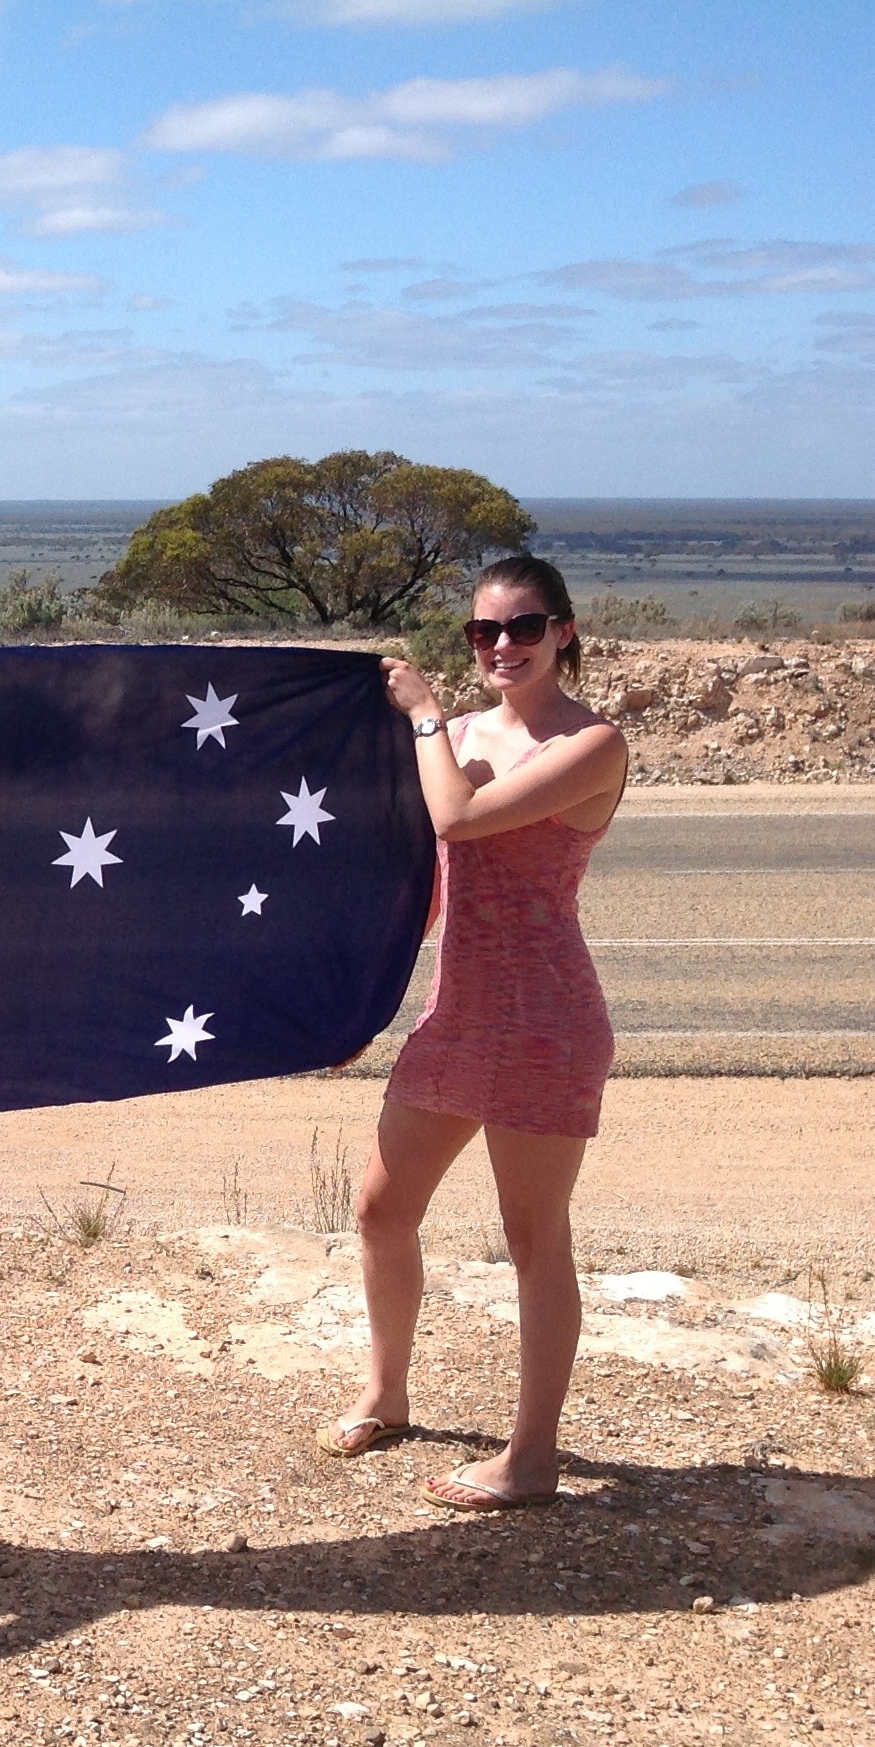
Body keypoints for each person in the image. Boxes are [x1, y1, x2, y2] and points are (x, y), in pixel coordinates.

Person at [318, 553, 628, 1512]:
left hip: (546, 1022)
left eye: (524, 627)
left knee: (534, 1239)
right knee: (381, 1210)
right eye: (484, 630)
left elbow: (455, 821)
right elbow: (425, 887)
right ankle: (387, 1392)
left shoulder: (592, 744)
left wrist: (420, 713)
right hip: (457, 1016)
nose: (502, 646)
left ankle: (530, 1459)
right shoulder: (456, 736)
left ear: (563, 633)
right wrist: (360, 1004)